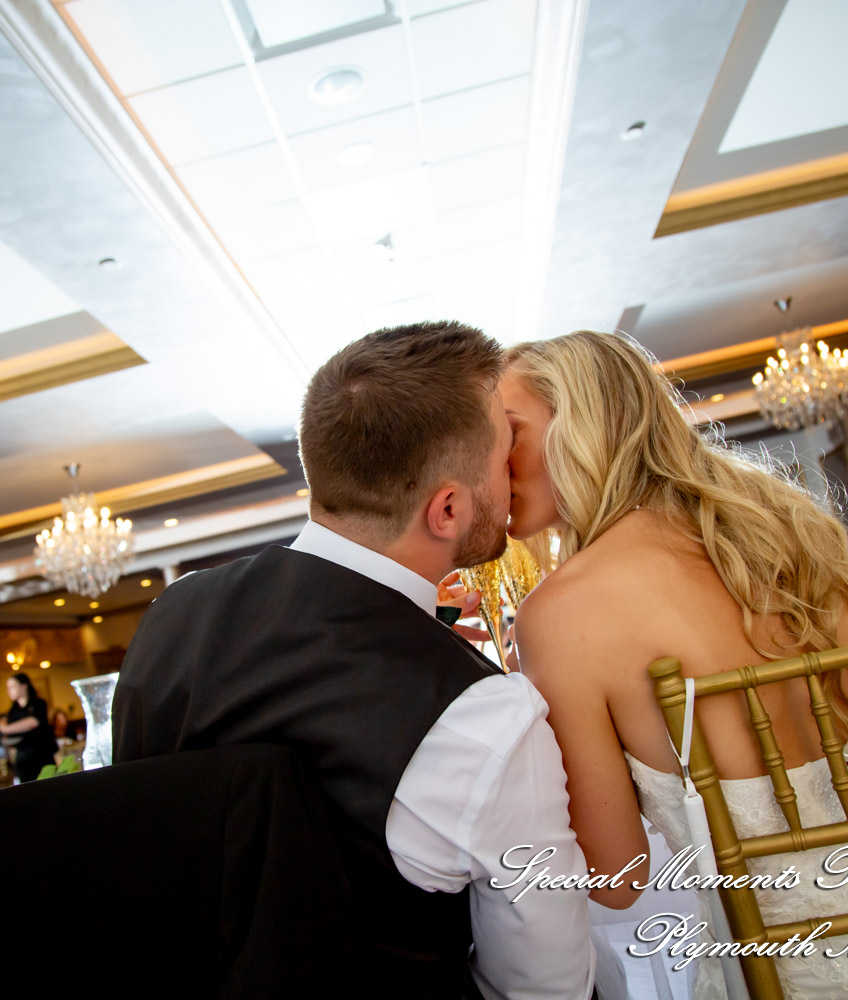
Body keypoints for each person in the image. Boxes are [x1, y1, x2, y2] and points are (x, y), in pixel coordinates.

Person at [500, 330, 848, 998]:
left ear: (578, 424)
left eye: (508, 432)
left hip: (803, 972)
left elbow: (617, 881)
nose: (492, 461)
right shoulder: (794, 528)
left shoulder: (560, 615)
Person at [115, 322, 614, 1000]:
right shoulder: (484, 717)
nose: (517, 466)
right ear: (446, 509)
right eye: (505, 449)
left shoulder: (171, 618)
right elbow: (543, 986)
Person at [0, 674, 57, 784]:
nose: (9, 691)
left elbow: (33, 722)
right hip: (23, 759)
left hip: (42, 755)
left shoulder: (38, 704)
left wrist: (6, 728)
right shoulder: (12, 711)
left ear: (23, 686)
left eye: (12, 687)